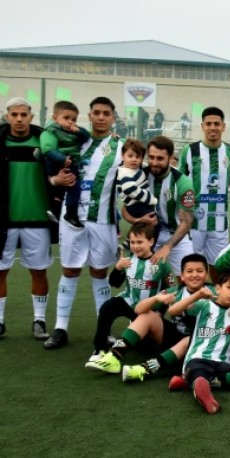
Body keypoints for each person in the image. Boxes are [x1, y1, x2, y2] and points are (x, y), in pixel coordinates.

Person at [45, 97, 124, 350]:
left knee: (100, 272)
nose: (101, 117)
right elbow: (48, 167)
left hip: (103, 221)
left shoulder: (121, 147)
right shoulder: (72, 141)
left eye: (106, 113)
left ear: (113, 117)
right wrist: (54, 181)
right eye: (96, 113)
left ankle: (104, 331)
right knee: (69, 270)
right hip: (72, 220)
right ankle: (60, 329)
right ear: (89, 116)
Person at [0, 97, 62, 341]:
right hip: (4, 220)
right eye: (14, 115)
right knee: (0, 272)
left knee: (38, 271)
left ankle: (39, 320)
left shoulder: (44, 141)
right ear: (7, 116)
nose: (18, 119)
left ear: (31, 116)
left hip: (37, 219)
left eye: (23, 114)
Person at [84, 223, 171, 368]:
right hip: (129, 301)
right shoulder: (129, 261)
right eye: (132, 242)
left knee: (147, 349)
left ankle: (136, 330)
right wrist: (118, 268)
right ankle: (100, 348)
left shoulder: (161, 264)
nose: (136, 246)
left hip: (147, 310)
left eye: (140, 242)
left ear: (151, 241)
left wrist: (160, 312)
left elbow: (170, 291)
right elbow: (113, 283)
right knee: (107, 308)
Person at [117, 253, 213, 382]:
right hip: (175, 337)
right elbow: (138, 310)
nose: (194, 275)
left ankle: (145, 369)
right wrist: (156, 298)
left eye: (200, 271)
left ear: (206, 275)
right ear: (182, 276)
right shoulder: (175, 291)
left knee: (189, 339)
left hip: (202, 343)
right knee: (148, 315)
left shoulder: (216, 292)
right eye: (189, 271)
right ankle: (114, 355)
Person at [168, 270, 230, 414]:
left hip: (222, 362)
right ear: (217, 288)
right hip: (198, 358)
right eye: (229, 287)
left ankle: (190, 382)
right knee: (199, 374)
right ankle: (204, 393)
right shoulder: (204, 304)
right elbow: (173, 311)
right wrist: (197, 295)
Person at [179, 107, 230, 281]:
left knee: (218, 266)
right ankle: (190, 303)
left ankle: (216, 301)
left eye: (217, 124)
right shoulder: (189, 151)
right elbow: (180, 183)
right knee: (191, 267)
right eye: (209, 124)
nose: (213, 127)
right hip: (193, 220)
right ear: (202, 126)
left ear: (223, 126)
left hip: (219, 220)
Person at [121, 136, 194, 275]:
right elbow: (125, 209)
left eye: (160, 159)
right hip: (147, 235)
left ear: (170, 158)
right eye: (151, 157)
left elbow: (187, 221)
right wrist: (138, 221)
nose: (154, 162)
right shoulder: (139, 175)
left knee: (190, 274)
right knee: (140, 276)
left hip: (176, 235)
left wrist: (167, 247)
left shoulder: (183, 182)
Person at [40, 100, 91, 228]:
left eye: (73, 119)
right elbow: (47, 149)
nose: (70, 122)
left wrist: (77, 130)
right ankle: (70, 214)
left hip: (68, 163)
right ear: (54, 118)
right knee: (74, 186)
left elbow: (87, 136)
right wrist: (62, 159)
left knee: (63, 189)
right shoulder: (50, 132)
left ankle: (56, 210)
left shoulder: (74, 131)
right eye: (66, 118)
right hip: (59, 163)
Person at [115, 139, 159, 240]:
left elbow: (143, 166)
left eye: (138, 157)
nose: (134, 159)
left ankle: (130, 239)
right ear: (122, 156)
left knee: (144, 225)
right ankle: (131, 239)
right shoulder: (125, 173)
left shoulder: (135, 168)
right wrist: (152, 199)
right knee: (154, 224)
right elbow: (130, 189)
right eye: (130, 156)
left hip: (137, 204)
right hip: (137, 205)